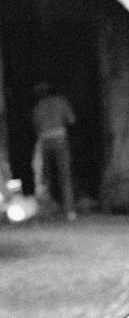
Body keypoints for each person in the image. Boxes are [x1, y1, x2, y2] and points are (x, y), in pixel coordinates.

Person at [31, 81, 77, 220]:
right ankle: (69, 212)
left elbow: (35, 126)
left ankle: (49, 211)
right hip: (60, 139)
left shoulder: (38, 106)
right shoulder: (61, 102)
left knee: (47, 178)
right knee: (65, 176)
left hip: (45, 141)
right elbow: (72, 120)